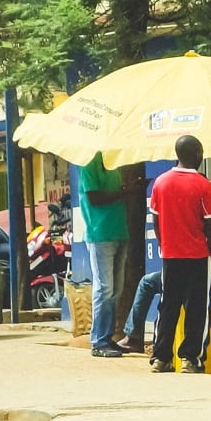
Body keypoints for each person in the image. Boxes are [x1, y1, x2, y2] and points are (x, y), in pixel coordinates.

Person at [148, 134, 211, 374]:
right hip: (198, 256)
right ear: (198, 154)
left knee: (167, 305)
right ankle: (190, 358)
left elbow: (156, 220)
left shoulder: (160, 182)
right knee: (198, 309)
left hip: (170, 255)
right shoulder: (203, 184)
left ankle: (161, 358)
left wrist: (165, 244)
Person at [78, 153, 133, 357]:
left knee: (115, 290)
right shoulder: (89, 162)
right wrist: (123, 192)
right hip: (99, 233)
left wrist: (127, 190)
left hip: (119, 231)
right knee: (104, 288)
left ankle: (107, 337)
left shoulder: (113, 163)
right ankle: (98, 341)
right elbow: (94, 197)